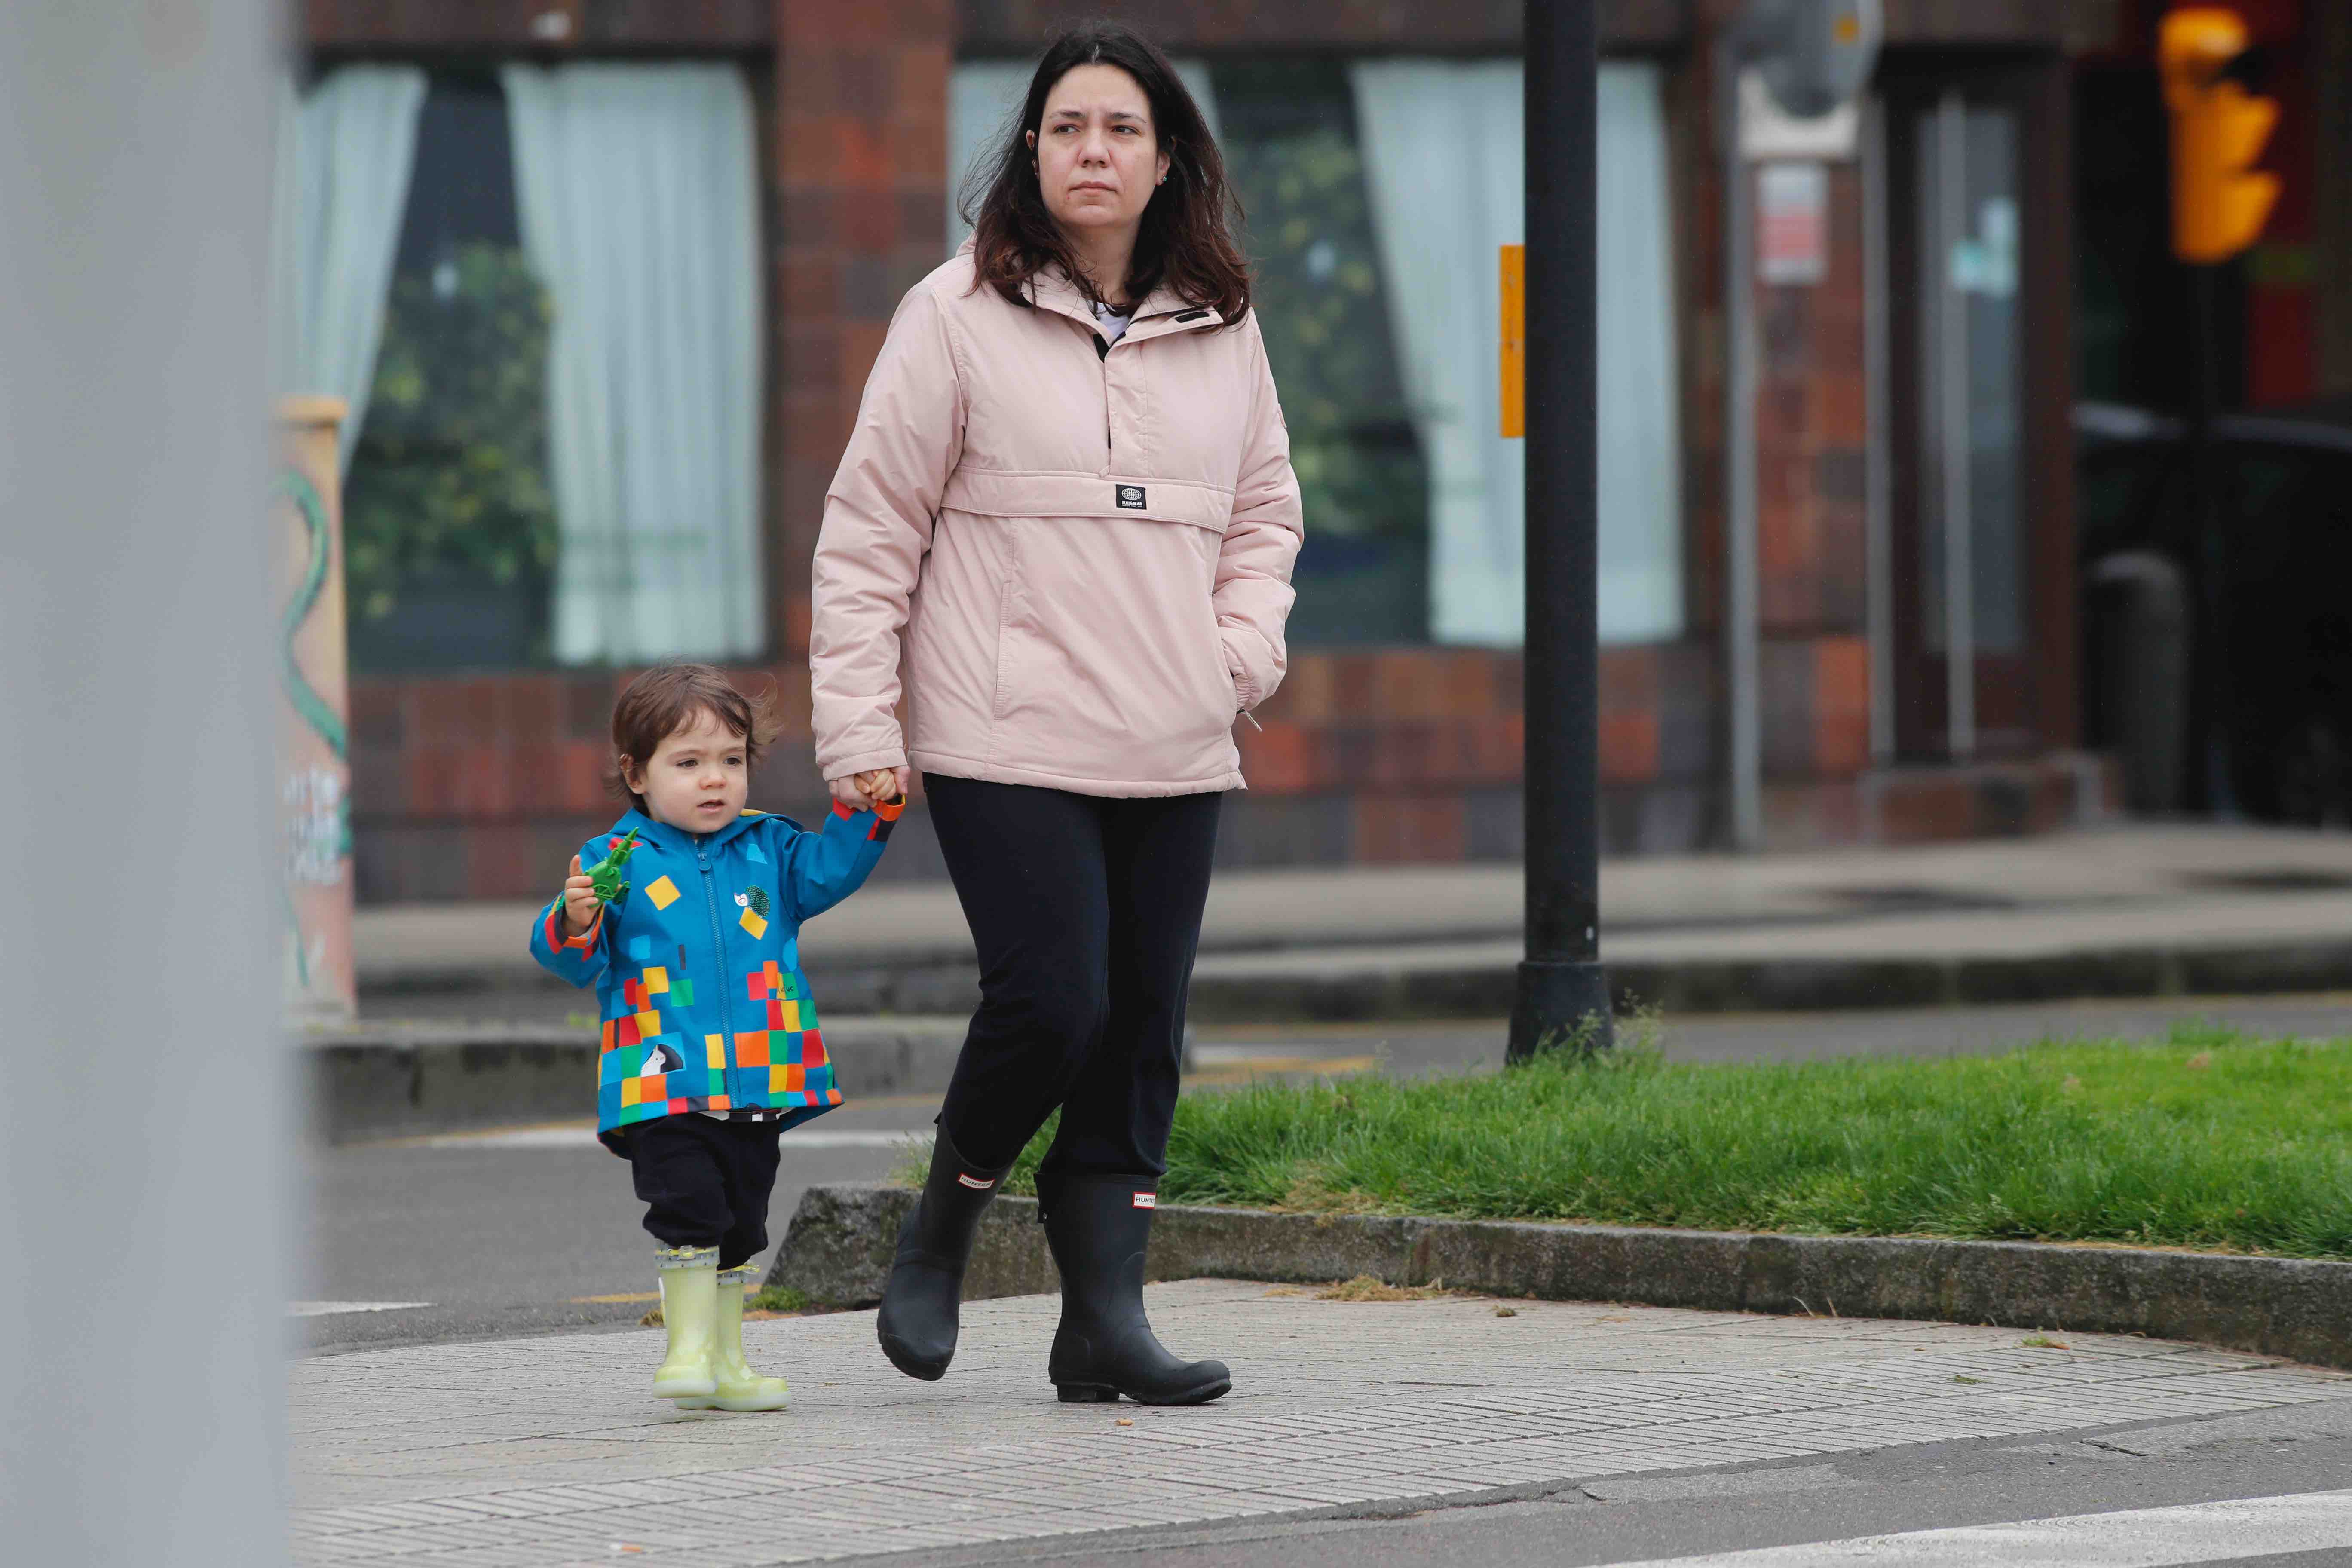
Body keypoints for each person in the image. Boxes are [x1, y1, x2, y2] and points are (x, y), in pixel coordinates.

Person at [810, 21, 1302, 1406]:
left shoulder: (1226, 324)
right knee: (1056, 998)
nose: (1095, 151)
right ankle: (944, 1225)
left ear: (1165, 163)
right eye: (1070, 126)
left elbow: (1266, 514)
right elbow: (868, 535)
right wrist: (860, 730)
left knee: (1142, 1026)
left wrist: (1234, 658)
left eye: (1123, 131)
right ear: (1033, 150)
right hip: (1003, 730)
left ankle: (1104, 1325)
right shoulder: (952, 316)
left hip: (1173, 731)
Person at [530, 662, 903, 1411]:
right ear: (636, 774)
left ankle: (727, 1362)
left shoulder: (771, 851)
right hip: (661, 1082)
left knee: (740, 1223)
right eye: (689, 763)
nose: (715, 781)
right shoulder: (616, 863)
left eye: (732, 762)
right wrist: (574, 919)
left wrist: (871, 807)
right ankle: (687, 1353)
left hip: (761, 1079)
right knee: (689, 1209)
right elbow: (573, 958)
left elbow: (834, 867)